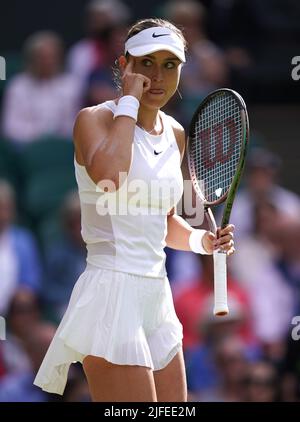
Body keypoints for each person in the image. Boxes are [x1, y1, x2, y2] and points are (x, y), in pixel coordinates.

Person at [33, 18, 235, 402]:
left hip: (157, 298)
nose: (157, 76)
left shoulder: (175, 133)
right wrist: (129, 102)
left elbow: (163, 222)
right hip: (111, 294)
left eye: (170, 65)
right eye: (146, 63)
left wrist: (203, 242)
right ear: (125, 64)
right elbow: (111, 174)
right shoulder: (92, 119)